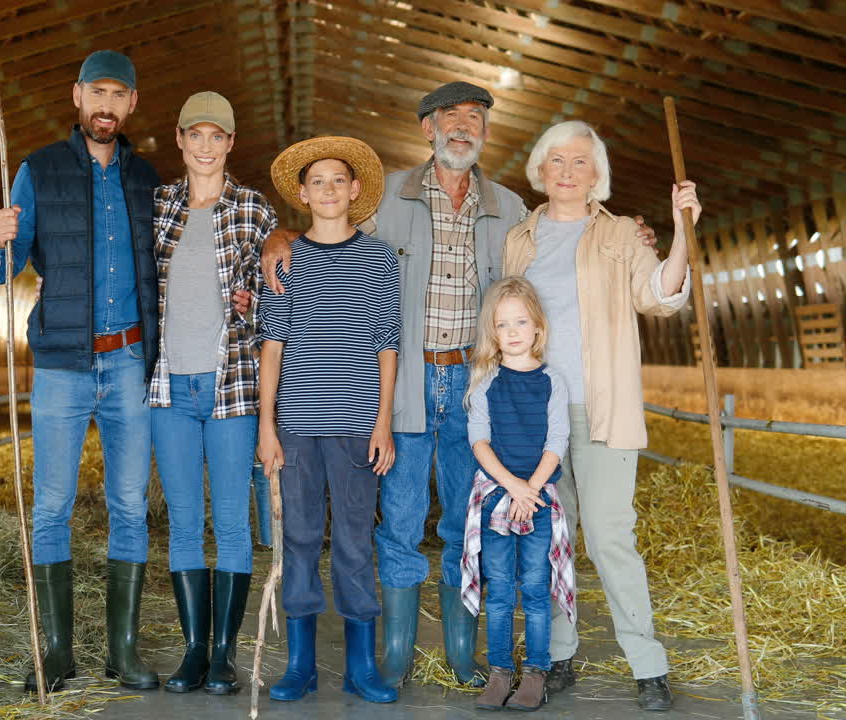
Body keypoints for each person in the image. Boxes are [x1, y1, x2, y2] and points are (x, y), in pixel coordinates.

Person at [261, 82, 657, 690]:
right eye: (450, 116)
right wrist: (276, 237)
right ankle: (394, 654)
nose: (463, 126)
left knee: (464, 520)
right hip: (402, 379)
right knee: (398, 517)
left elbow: (561, 251)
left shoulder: (511, 210)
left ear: (487, 134)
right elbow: (325, 228)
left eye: (476, 117)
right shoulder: (384, 197)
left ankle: (461, 652)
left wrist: (635, 234)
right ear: (427, 128)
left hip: (476, 386)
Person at [0, 49, 162, 693]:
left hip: (130, 361)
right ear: (77, 96)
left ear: (132, 103)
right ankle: (54, 654)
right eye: (97, 93)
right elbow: (2, 270)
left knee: (130, 507)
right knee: (53, 505)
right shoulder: (38, 170)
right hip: (61, 363)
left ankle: (124, 652)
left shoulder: (148, 181)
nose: (107, 106)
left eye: (119, 95)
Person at [504, 119, 699, 711]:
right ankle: (556, 655)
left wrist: (682, 232)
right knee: (550, 536)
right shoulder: (519, 238)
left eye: (580, 162)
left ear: (598, 176)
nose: (567, 171)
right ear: (540, 169)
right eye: (557, 160)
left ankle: (646, 662)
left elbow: (660, 298)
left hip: (603, 408)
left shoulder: (621, 237)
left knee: (611, 536)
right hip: (535, 413)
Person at [257, 136, 401, 704]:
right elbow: (273, 344)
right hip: (295, 421)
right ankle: (300, 664)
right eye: (317, 181)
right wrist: (267, 426)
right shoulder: (286, 259)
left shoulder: (379, 258)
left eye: (339, 180)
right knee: (296, 536)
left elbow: (387, 345)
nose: (329, 190)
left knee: (354, 538)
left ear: (356, 189)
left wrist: (383, 423)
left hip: (357, 421)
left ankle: (362, 666)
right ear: (302, 193)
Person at [149, 91, 277, 696]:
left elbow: (280, 284)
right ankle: (192, 650)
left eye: (216, 137)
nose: (205, 146)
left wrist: (257, 295)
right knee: (182, 522)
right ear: (179, 139)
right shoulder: (157, 207)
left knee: (229, 522)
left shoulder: (253, 210)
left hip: (232, 388)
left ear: (230, 143)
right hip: (171, 387)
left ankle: (224, 652)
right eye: (194, 135)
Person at [457, 276, 576, 712]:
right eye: (502, 323)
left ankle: (536, 672)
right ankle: (500, 671)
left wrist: (532, 491)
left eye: (520, 322)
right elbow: (479, 442)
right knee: (502, 588)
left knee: (535, 587)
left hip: (539, 501)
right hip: (497, 500)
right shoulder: (486, 382)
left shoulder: (553, 381)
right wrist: (513, 488)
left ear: (538, 328)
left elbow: (556, 441)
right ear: (493, 330)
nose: (512, 331)